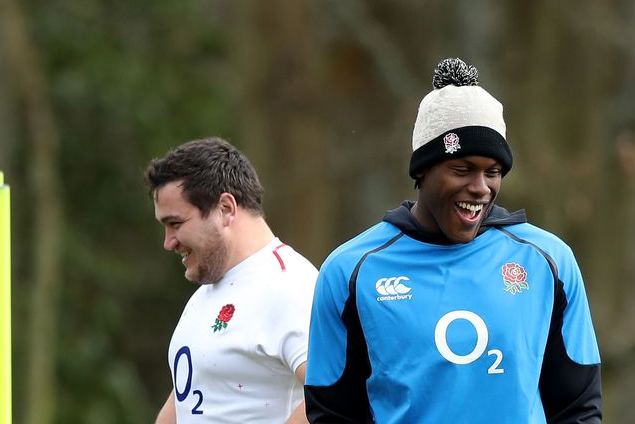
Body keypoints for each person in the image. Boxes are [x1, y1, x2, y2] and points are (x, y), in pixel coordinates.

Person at [304, 58, 602, 423]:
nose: (479, 188)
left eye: (492, 172)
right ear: (422, 170)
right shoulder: (349, 271)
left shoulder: (548, 261)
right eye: (462, 170)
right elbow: (332, 412)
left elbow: (578, 407)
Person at [144, 137, 317, 424]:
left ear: (225, 209)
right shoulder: (207, 292)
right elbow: (189, 400)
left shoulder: (290, 286)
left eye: (175, 224)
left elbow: (335, 399)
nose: (168, 242)